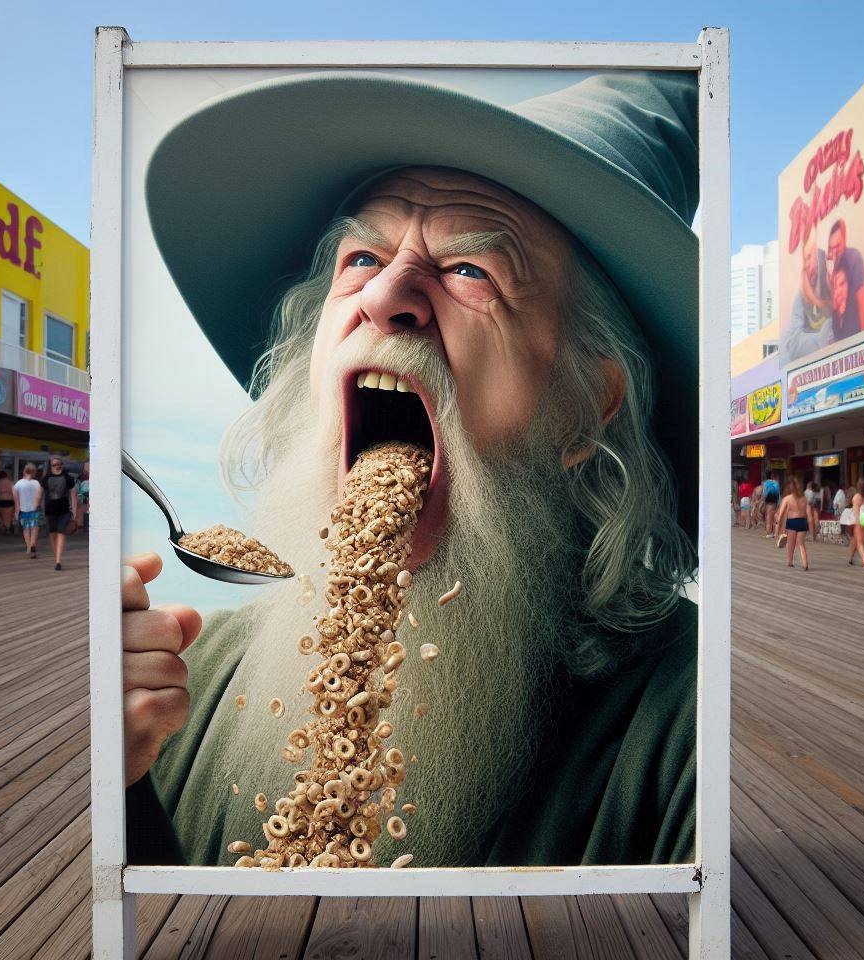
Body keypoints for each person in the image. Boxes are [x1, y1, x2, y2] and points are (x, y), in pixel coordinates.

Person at [123, 72, 703, 869]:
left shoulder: (694, 718)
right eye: (362, 256)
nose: (388, 293)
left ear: (584, 407)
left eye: (473, 272)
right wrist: (111, 782)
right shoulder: (180, 677)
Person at [780, 231, 833, 366]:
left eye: (813, 259)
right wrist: (820, 339)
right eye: (807, 260)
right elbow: (791, 344)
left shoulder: (835, 289)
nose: (809, 266)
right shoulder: (801, 297)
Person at [826, 219, 864, 338]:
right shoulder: (831, 268)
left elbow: (862, 300)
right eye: (831, 248)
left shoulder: (853, 257)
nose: (834, 252)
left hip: (855, 336)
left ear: (844, 240)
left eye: (837, 246)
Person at [43, 458, 76, 571]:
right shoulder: (46, 479)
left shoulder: (68, 478)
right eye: (55, 464)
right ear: (50, 466)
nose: (58, 466)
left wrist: (74, 512)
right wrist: (36, 506)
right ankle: (56, 555)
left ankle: (58, 560)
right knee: (52, 534)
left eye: (60, 464)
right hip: (50, 510)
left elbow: (73, 495)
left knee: (61, 532)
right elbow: (40, 493)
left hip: (64, 510)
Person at [775, 476, 809, 570]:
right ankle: (805, 563)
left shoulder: (787, 498)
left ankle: (790, 561)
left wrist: (778, 526)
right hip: (802, 521)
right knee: (801, 544)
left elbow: (780, 514)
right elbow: (808, 513)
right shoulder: (804, 498)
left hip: (792, 522)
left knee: (791, 543)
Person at [13, 463, 43, 558]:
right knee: (34, 528)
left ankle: (28, 547)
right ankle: (33, 544)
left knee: (26, 529)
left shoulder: (18, 484)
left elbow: (16, 501)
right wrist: (38, 506)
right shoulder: (36, 483)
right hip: (34, 509)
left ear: (24, 471)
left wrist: (17, 511)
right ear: (33, 472)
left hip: (23, 510)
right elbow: (39, 497)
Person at [847, 479, 864, 569]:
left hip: (860, 520)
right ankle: (851, 558)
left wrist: (857, 522)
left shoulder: (857, 497)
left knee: (860, 543)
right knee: (856, 539)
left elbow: (856, 511)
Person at [762, 471, 780, 538]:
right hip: (774, 502)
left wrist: (764, 502)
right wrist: (778, 503)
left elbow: (764, 494)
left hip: (768, 502)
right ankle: (773, 532)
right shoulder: (776, 483)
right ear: (772, 475)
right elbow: (778, 494)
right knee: (773, 517)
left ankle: (769, 533)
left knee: (768, 517)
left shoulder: (765, 483)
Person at [75, 461, 90, 529]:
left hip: (84, 496)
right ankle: (82, 524)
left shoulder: (82, 480)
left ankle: (81, 525)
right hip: (84, 496)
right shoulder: (82, 479)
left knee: (82, 510)